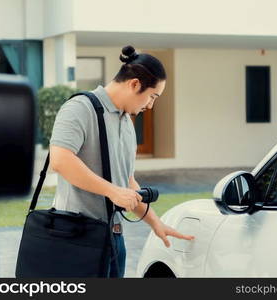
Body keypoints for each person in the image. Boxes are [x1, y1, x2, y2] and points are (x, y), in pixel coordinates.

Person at [49, 45, 194, 277]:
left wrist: (156, 223)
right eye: (152, 96)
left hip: (115, 239)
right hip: (77, 239)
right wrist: (112, 191)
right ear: (135, 84)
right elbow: (60, 159)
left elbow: (127, 183)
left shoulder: (126, 122)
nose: (150, 106)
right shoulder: (79, 108)